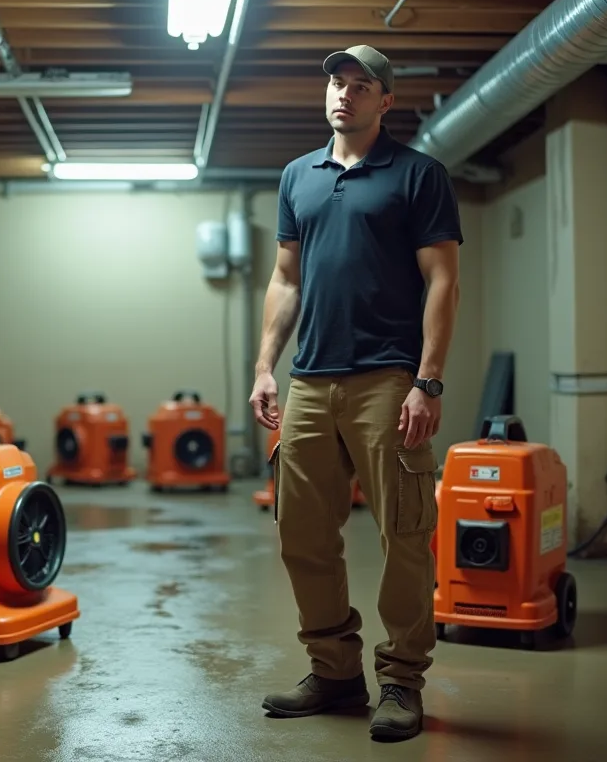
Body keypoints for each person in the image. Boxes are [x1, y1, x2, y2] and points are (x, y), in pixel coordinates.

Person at [250, 44, 462, 741]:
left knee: (404, 533)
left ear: (385, 100)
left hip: (387, 379)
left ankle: (401, 679)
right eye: (337, 83)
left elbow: (442, 280)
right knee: (301, 533)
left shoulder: (418, 175)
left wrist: (427, 381)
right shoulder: (297, 177)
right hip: (310, 380)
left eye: (360, 85)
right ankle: (335, 671)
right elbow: (286, 279)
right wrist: (263, 368)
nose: (344, 94)